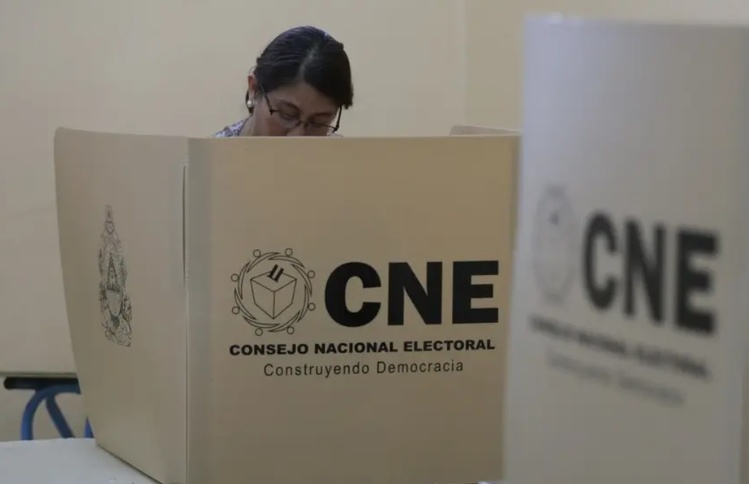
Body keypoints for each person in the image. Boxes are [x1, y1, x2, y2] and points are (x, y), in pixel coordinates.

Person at [215, 26, 354, 137]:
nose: (298, 137)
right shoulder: (213, 160)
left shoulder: (341, 160)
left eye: (318, 123)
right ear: (254, 89)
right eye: (287, 114)